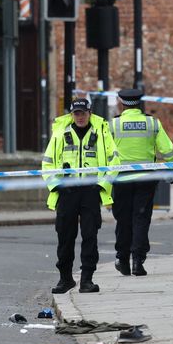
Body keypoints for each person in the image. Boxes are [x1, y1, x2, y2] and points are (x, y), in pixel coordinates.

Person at [43, 98, 118, 294]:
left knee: (90, 236)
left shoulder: (101, 132)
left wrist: (101, 185)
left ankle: (87, 280)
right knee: (65, 236)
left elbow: (114, 161)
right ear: (72, 115)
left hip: (90, 191)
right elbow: (48, 163)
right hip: (67, 191)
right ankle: (65, 279)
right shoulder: (61, 133)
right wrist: (57, 185)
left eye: (83, 113)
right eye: (76, 114)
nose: (80, 117)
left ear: (89, 113)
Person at [109, 88, 173, 277]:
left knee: (123, 219)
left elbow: (105, 151)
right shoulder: (152, 123)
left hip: (121, 178)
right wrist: (171, 165)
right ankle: (138, 262)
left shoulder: (113, 125)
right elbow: (167, 149)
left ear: (121, 103)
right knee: (141, 218)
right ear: (139, 103)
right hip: (145, 178)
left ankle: (122, 259)